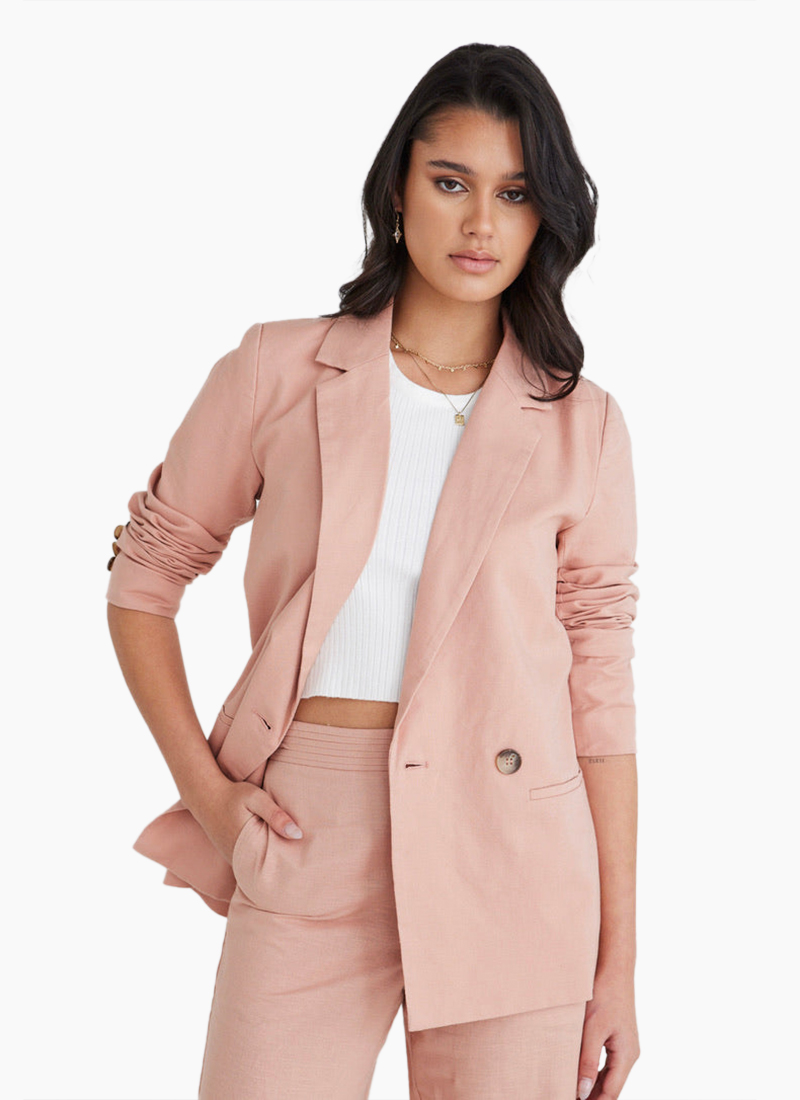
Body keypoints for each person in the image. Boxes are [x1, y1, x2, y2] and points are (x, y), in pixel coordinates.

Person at [106, 42, 641, 1100]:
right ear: (397, 189)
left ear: (545, 216)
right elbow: (142, 584)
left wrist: (617, 963)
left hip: (516, 850)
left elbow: (602, 695)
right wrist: (210, 799)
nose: (480, 223)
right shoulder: (277, 368)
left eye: (514, 193)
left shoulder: (582, 424)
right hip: (310, 825)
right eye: (451, 183)